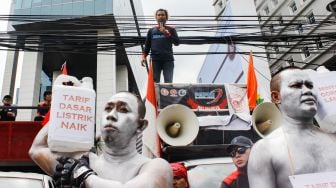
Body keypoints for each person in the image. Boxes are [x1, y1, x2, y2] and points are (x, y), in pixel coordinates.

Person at [29, 91, 173, 188]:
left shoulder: (157, 167)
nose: (111, 115)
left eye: (123, 110)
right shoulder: (84, 161)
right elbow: (37, 150)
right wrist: (65, 106)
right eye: (107, 109)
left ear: (141, 125)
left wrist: (84, 176)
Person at [247, 68, 336, 188]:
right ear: (276, 97)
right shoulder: (264, 150)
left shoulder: (333, 139)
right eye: (296, 85)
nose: (307, 91)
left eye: (310, 86)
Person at [141, 8, 179, 83]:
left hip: (168, 60)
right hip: (155, 60)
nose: (160, 16)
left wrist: (166, 33)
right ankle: (156, 95)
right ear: (156, 17)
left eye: (162, 15)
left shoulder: (171, 29)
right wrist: (143, 56)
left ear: (166, 17)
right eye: (158, 15)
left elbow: (177, 42)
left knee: (168, 82)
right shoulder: (151, 31)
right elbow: (147, 46)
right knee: (155, 81)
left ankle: (166, 95)